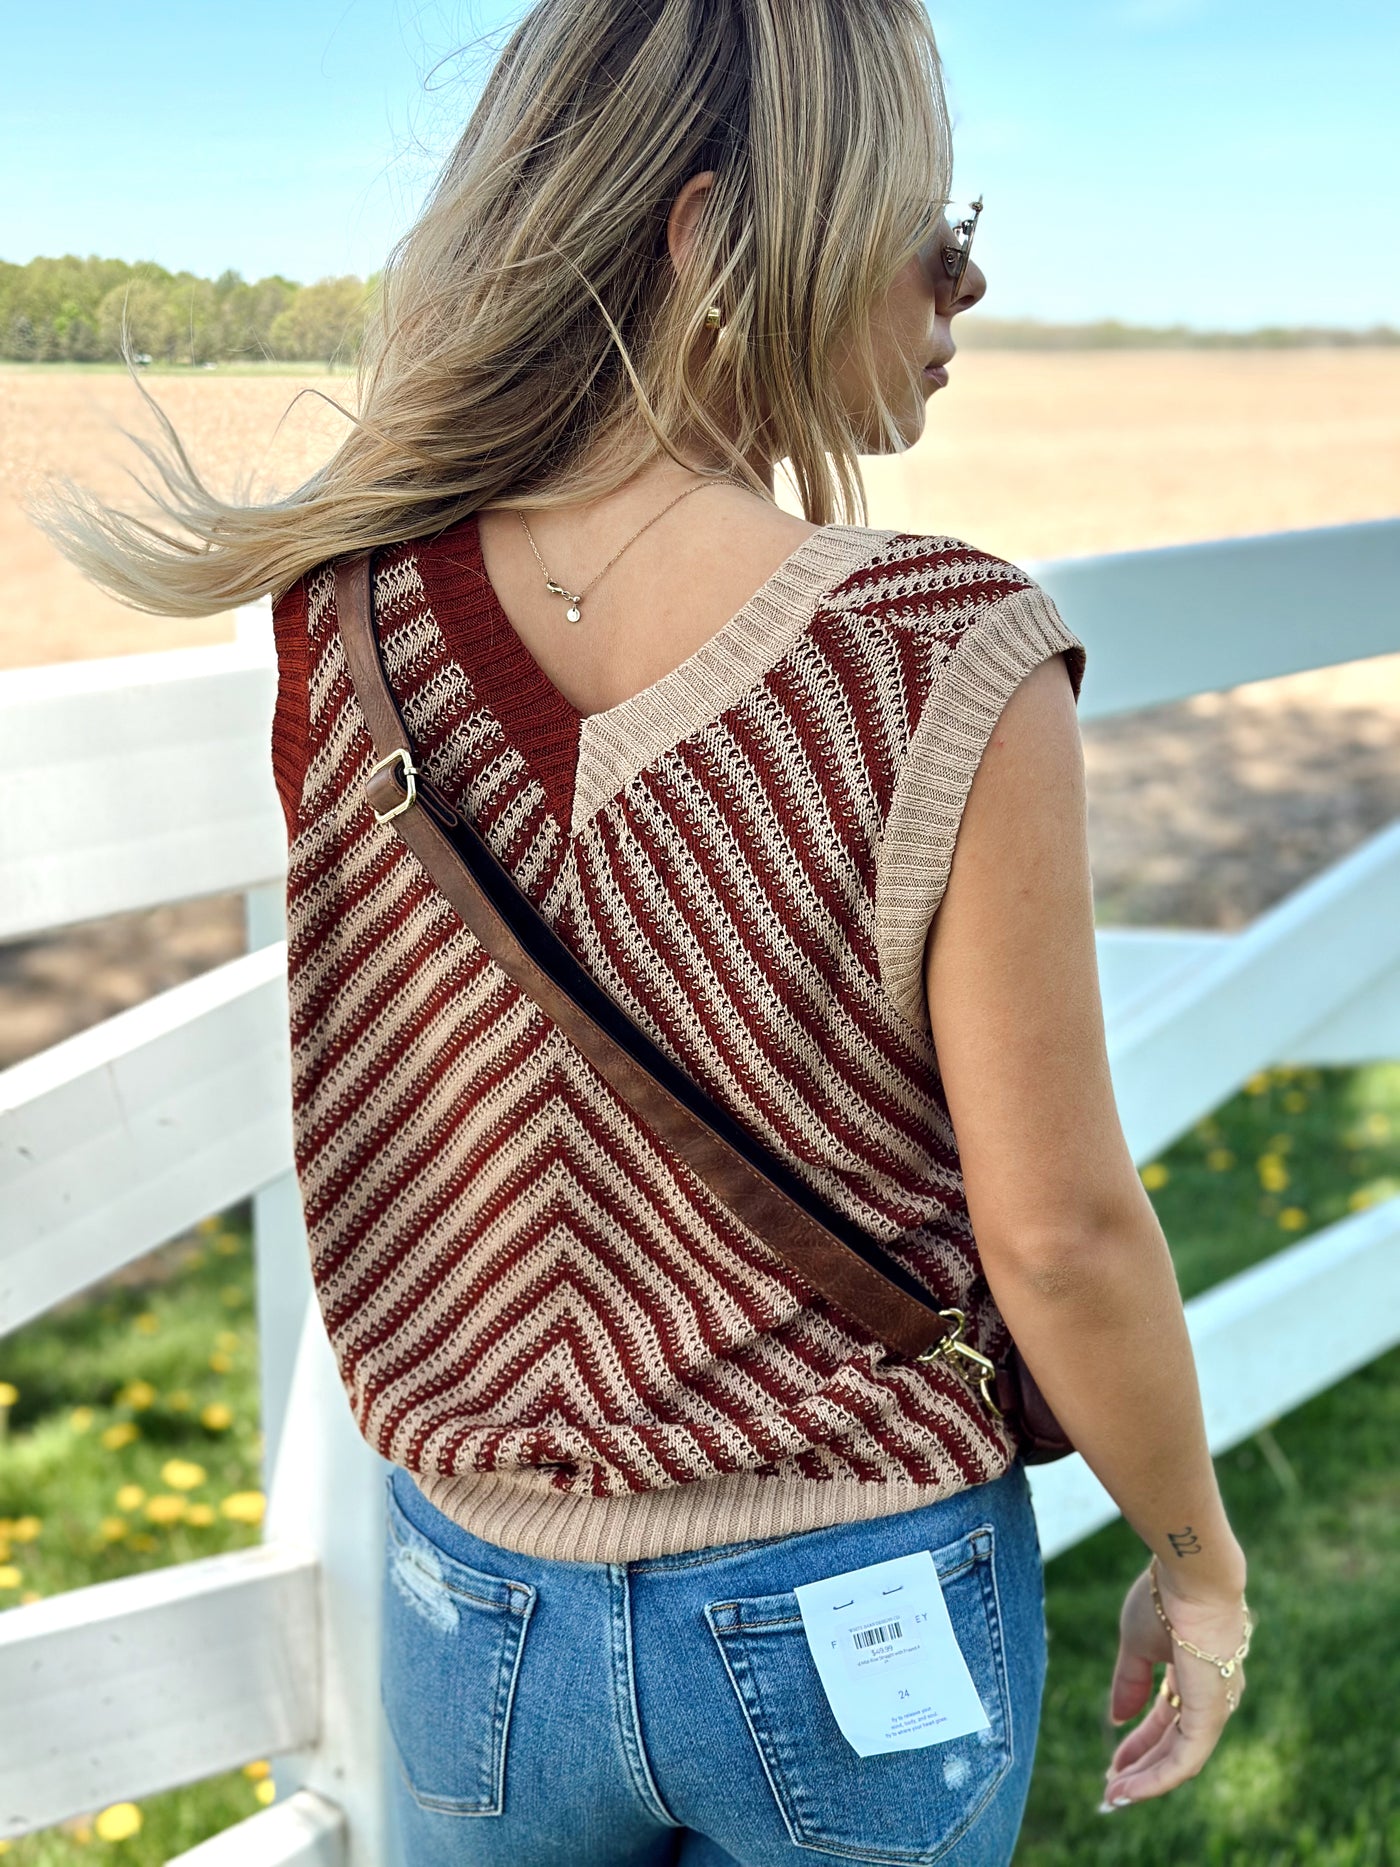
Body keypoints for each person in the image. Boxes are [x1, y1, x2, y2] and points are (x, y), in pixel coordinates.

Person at [27, 3, 1251, 1861]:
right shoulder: (945, 656)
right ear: (715, 248)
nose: (972, 281)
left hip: (476, 1603)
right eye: (930, 225)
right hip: (865, 1591)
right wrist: (1198, 1554)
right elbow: (1063, 1234)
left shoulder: (345, 627)